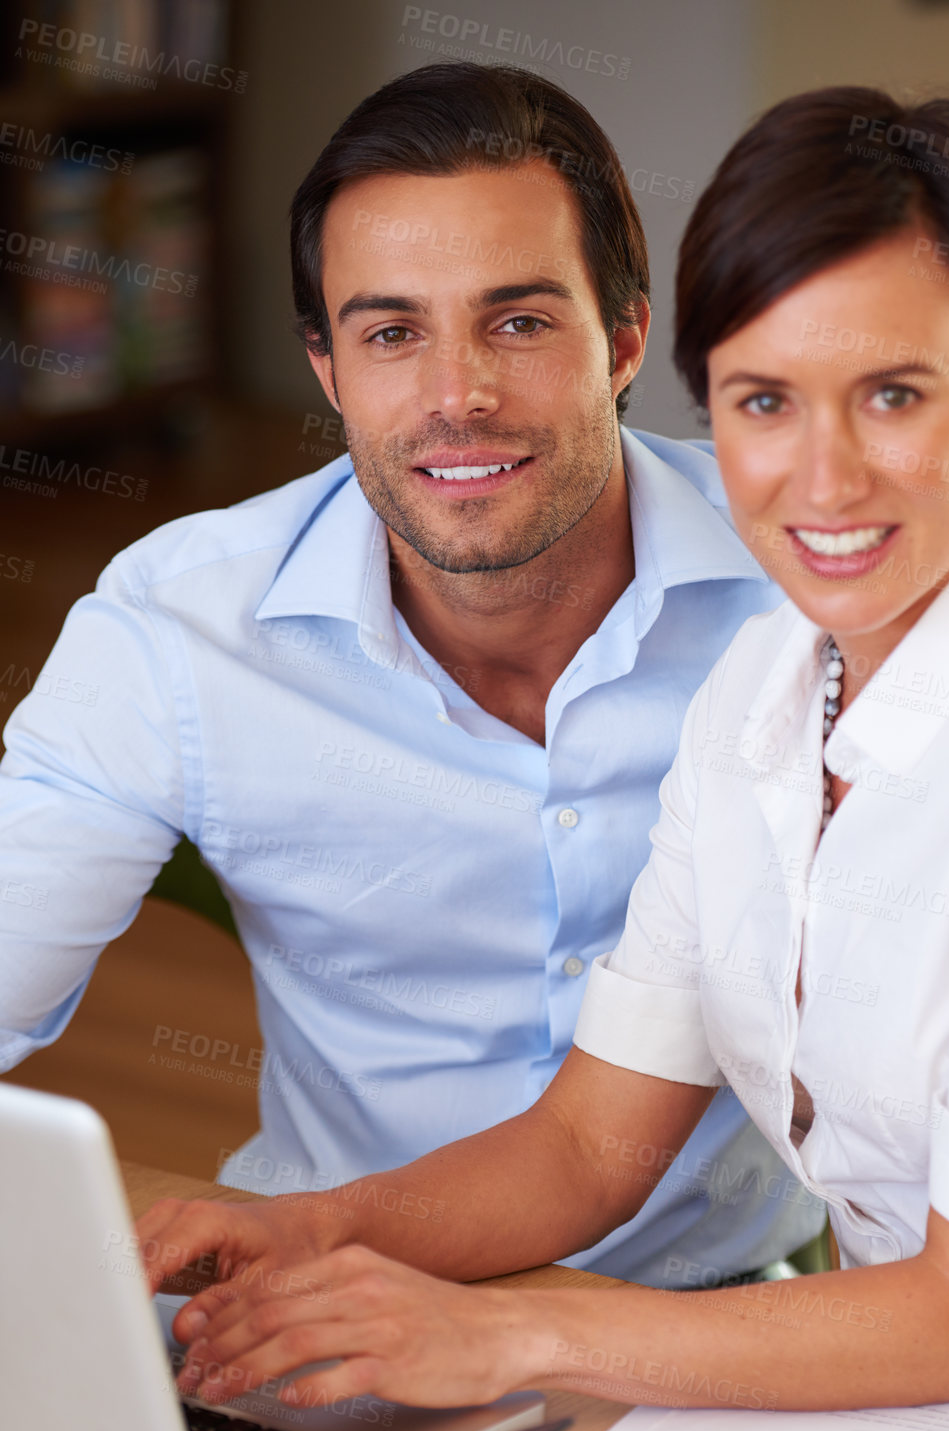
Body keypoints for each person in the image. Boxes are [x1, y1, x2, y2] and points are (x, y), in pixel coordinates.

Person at [146, 85, 949, 1417]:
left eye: (892, 394)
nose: (824, 477)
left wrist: (512, 1338)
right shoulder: (758, 691)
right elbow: (587, 1143)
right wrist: (317, 1231)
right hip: (907, 1426)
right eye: (762, 401)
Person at [0, 65, 828, 1286]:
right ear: (329, 370)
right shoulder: (178, 630)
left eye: (520, 321)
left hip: (713, 1334)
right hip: (320, 1298)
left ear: (626, 340)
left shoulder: (805, 592)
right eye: (392, 333)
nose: (458, 398)